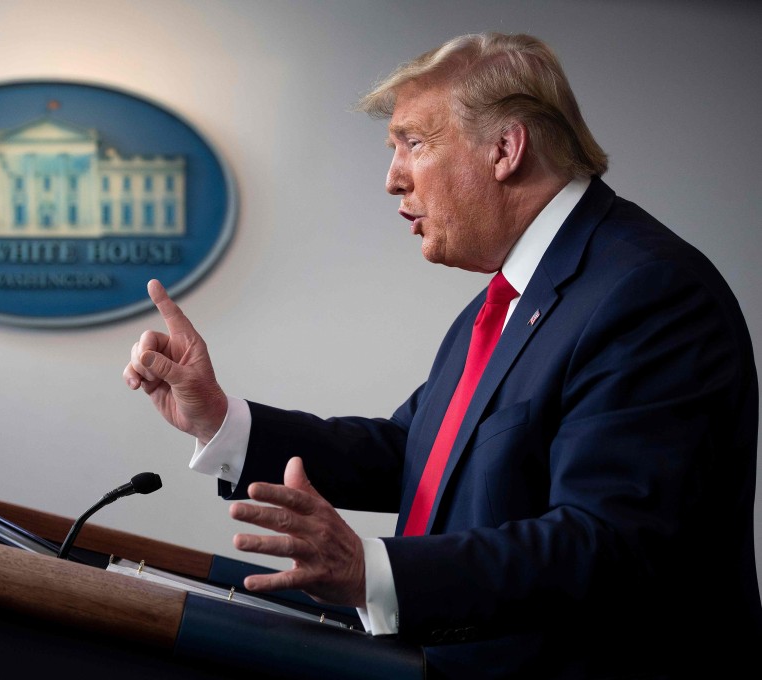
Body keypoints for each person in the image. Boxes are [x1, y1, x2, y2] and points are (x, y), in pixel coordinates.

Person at [124, 32, 761, 678]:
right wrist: (221, 421)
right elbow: (413, 456)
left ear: (505, 150)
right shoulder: (505, 299)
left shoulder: (649, 291)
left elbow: (605, 543)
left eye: (414, 143)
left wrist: (371, 570)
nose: (392, 177)